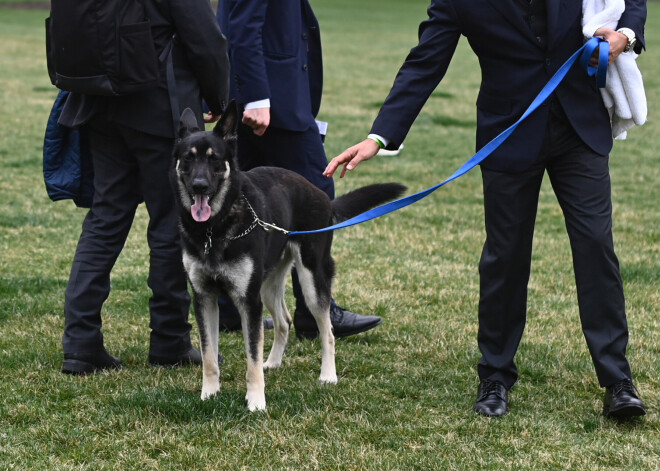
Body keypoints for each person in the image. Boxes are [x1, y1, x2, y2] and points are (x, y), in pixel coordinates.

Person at [325, 0, 647, 419]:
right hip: (509, 132)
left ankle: (617, 380)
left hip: (579, 129)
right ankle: (495, 375)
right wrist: (380, 137)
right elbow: (425, 61)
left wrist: (627, 35)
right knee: (505, 255)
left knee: (595, 246)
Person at [57, 0, 229, 375]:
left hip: (100, 103)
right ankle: (169, 339)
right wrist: (218, 98)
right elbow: (205, 38)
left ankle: (81, 343)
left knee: (105, 219)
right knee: (170, 224)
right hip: (160, 107)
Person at [215, 0, 382, 339]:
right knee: (317, 196)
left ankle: (231, 305)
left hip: (262, 92)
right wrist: (259, 97)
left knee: (240, 196)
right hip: (271, 100)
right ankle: (314, 309)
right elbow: (243, 23)